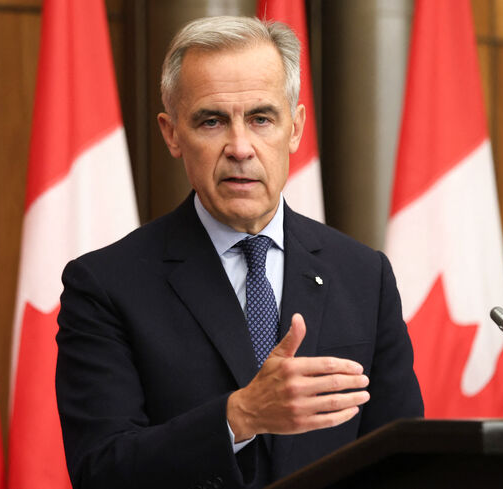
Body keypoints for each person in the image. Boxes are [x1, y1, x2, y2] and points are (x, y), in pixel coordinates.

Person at [55, 15, 423, 489]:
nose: (240, 147)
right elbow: (100, 469)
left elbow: (406, 456)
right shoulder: (105, 285)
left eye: (261, 118)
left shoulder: (363, 274)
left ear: (295, 128)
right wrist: (239, 416)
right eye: (212, 121)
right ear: (171, 134)